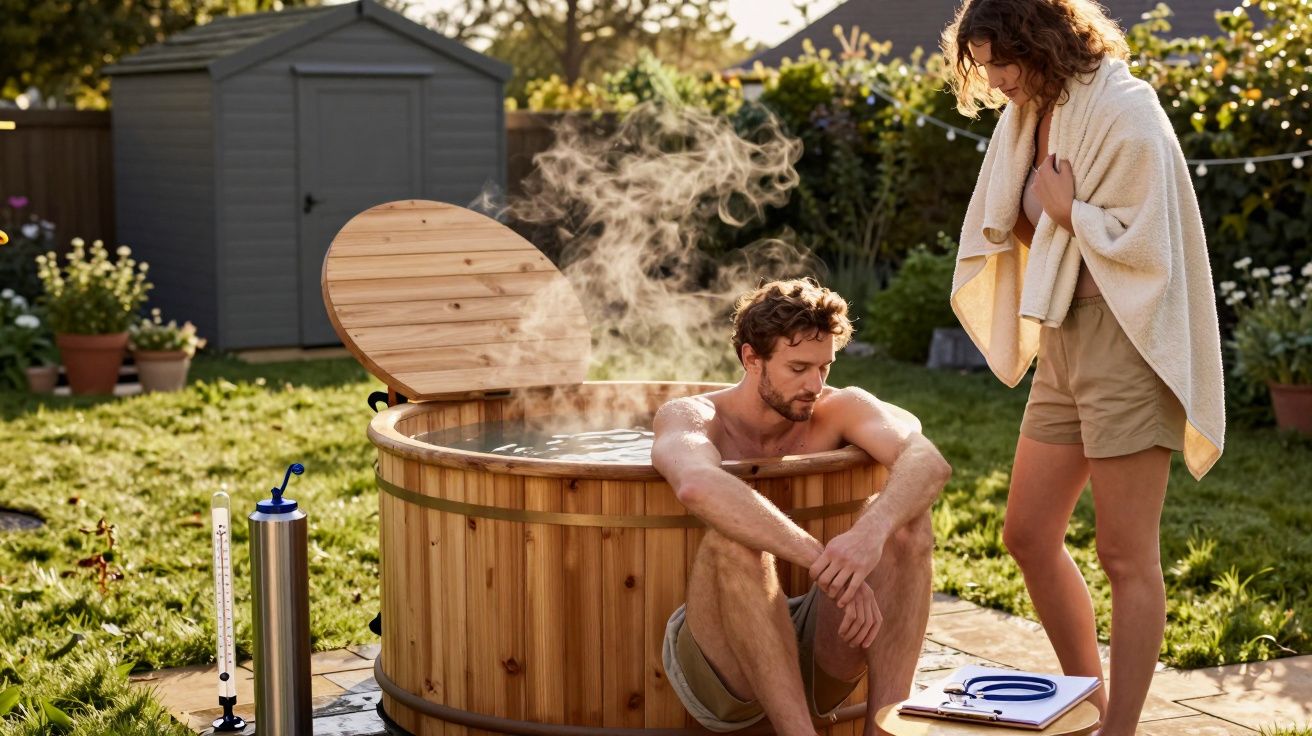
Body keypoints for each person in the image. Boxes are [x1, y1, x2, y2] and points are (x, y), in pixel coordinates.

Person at [943, 1, 1226, 735]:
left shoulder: (1126, 109)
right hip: (1064, 334)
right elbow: (1018, 216)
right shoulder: (1031, 114)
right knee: (1027, 534)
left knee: (1125, 556)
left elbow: (1153, 243)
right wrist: (1051, 215)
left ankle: (1120, 728)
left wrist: (1073, 215)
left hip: (1127, 341)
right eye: (983, 64)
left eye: (1001, 61)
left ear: (1038, 41)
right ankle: (1089, 703)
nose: (993, 79)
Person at [652, 278, 951, 736]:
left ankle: (888, 730)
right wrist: (827, 565)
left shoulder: (839, 407)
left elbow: (928, 461)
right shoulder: (693, 415)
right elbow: (696, 485)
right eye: (798, 368)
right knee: (732, 540)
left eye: (824, 367)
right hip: (722, 661)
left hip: (817, 639)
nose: (815, 384)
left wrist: (868, 536)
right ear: (751, 358)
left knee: (908, 523)